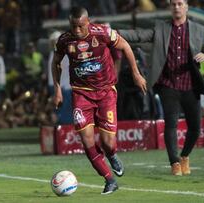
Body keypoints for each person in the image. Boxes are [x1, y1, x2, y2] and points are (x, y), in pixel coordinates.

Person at [52, 7, 147, 194]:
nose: (77, 31)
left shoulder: (103, 33)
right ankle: (109, 180)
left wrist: (137, 74)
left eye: (80, 26)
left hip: (105, 93)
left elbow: (126, 46)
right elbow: (55, 62)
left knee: (108, 143)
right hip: (81, 94)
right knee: (87, 141)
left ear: (88, 22)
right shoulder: (64, 40)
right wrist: (57, 90)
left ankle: (111, 155)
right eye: (73, 26)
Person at [118, 0, 204, 176]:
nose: (177, 7)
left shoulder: (199, 30)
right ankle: (175, 162)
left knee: (195, 127)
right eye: (174, 4)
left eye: (180, 4)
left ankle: (185, 156)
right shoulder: (161, 28)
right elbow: (140, 35)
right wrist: (114, 33)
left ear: (186, 7)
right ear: (170, 8)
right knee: (171, 124)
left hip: (190, 85)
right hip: (167, 85)